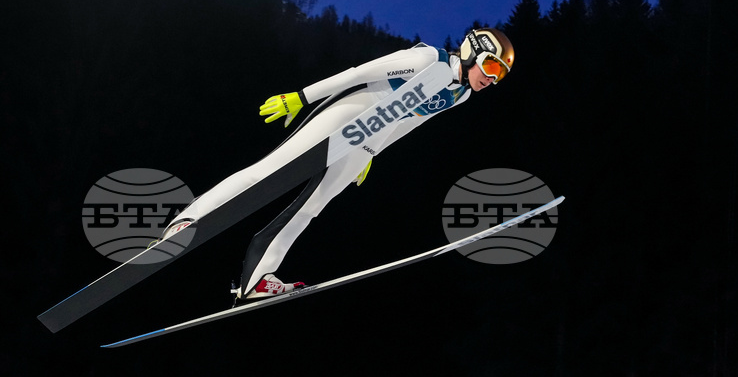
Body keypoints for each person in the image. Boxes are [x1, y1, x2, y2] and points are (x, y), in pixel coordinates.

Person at [156, 29, 514, 301]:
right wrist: (301, 96)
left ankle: (257, 278)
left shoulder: (460, 94)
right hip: (352, 109)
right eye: (491, 66)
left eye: (501, 75)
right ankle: (189, 219)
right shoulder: (428, 61)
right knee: (269, 171)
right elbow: (358, 73)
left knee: (315, 204)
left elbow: (410, 121)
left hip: (372, 133)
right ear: (472, 51)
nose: (493, 78)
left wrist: (373, 152)